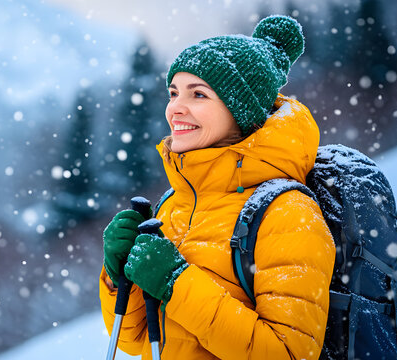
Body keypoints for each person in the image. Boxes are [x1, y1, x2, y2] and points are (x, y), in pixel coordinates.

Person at [99, 15, 336, 359]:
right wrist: (116, 275)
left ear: (241, 111)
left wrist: (176, 283)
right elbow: (134, 341)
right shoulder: (172, 207)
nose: (175, 108)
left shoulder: (288, 214)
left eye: (198, 94)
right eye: (174, 92)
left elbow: (290, 354)